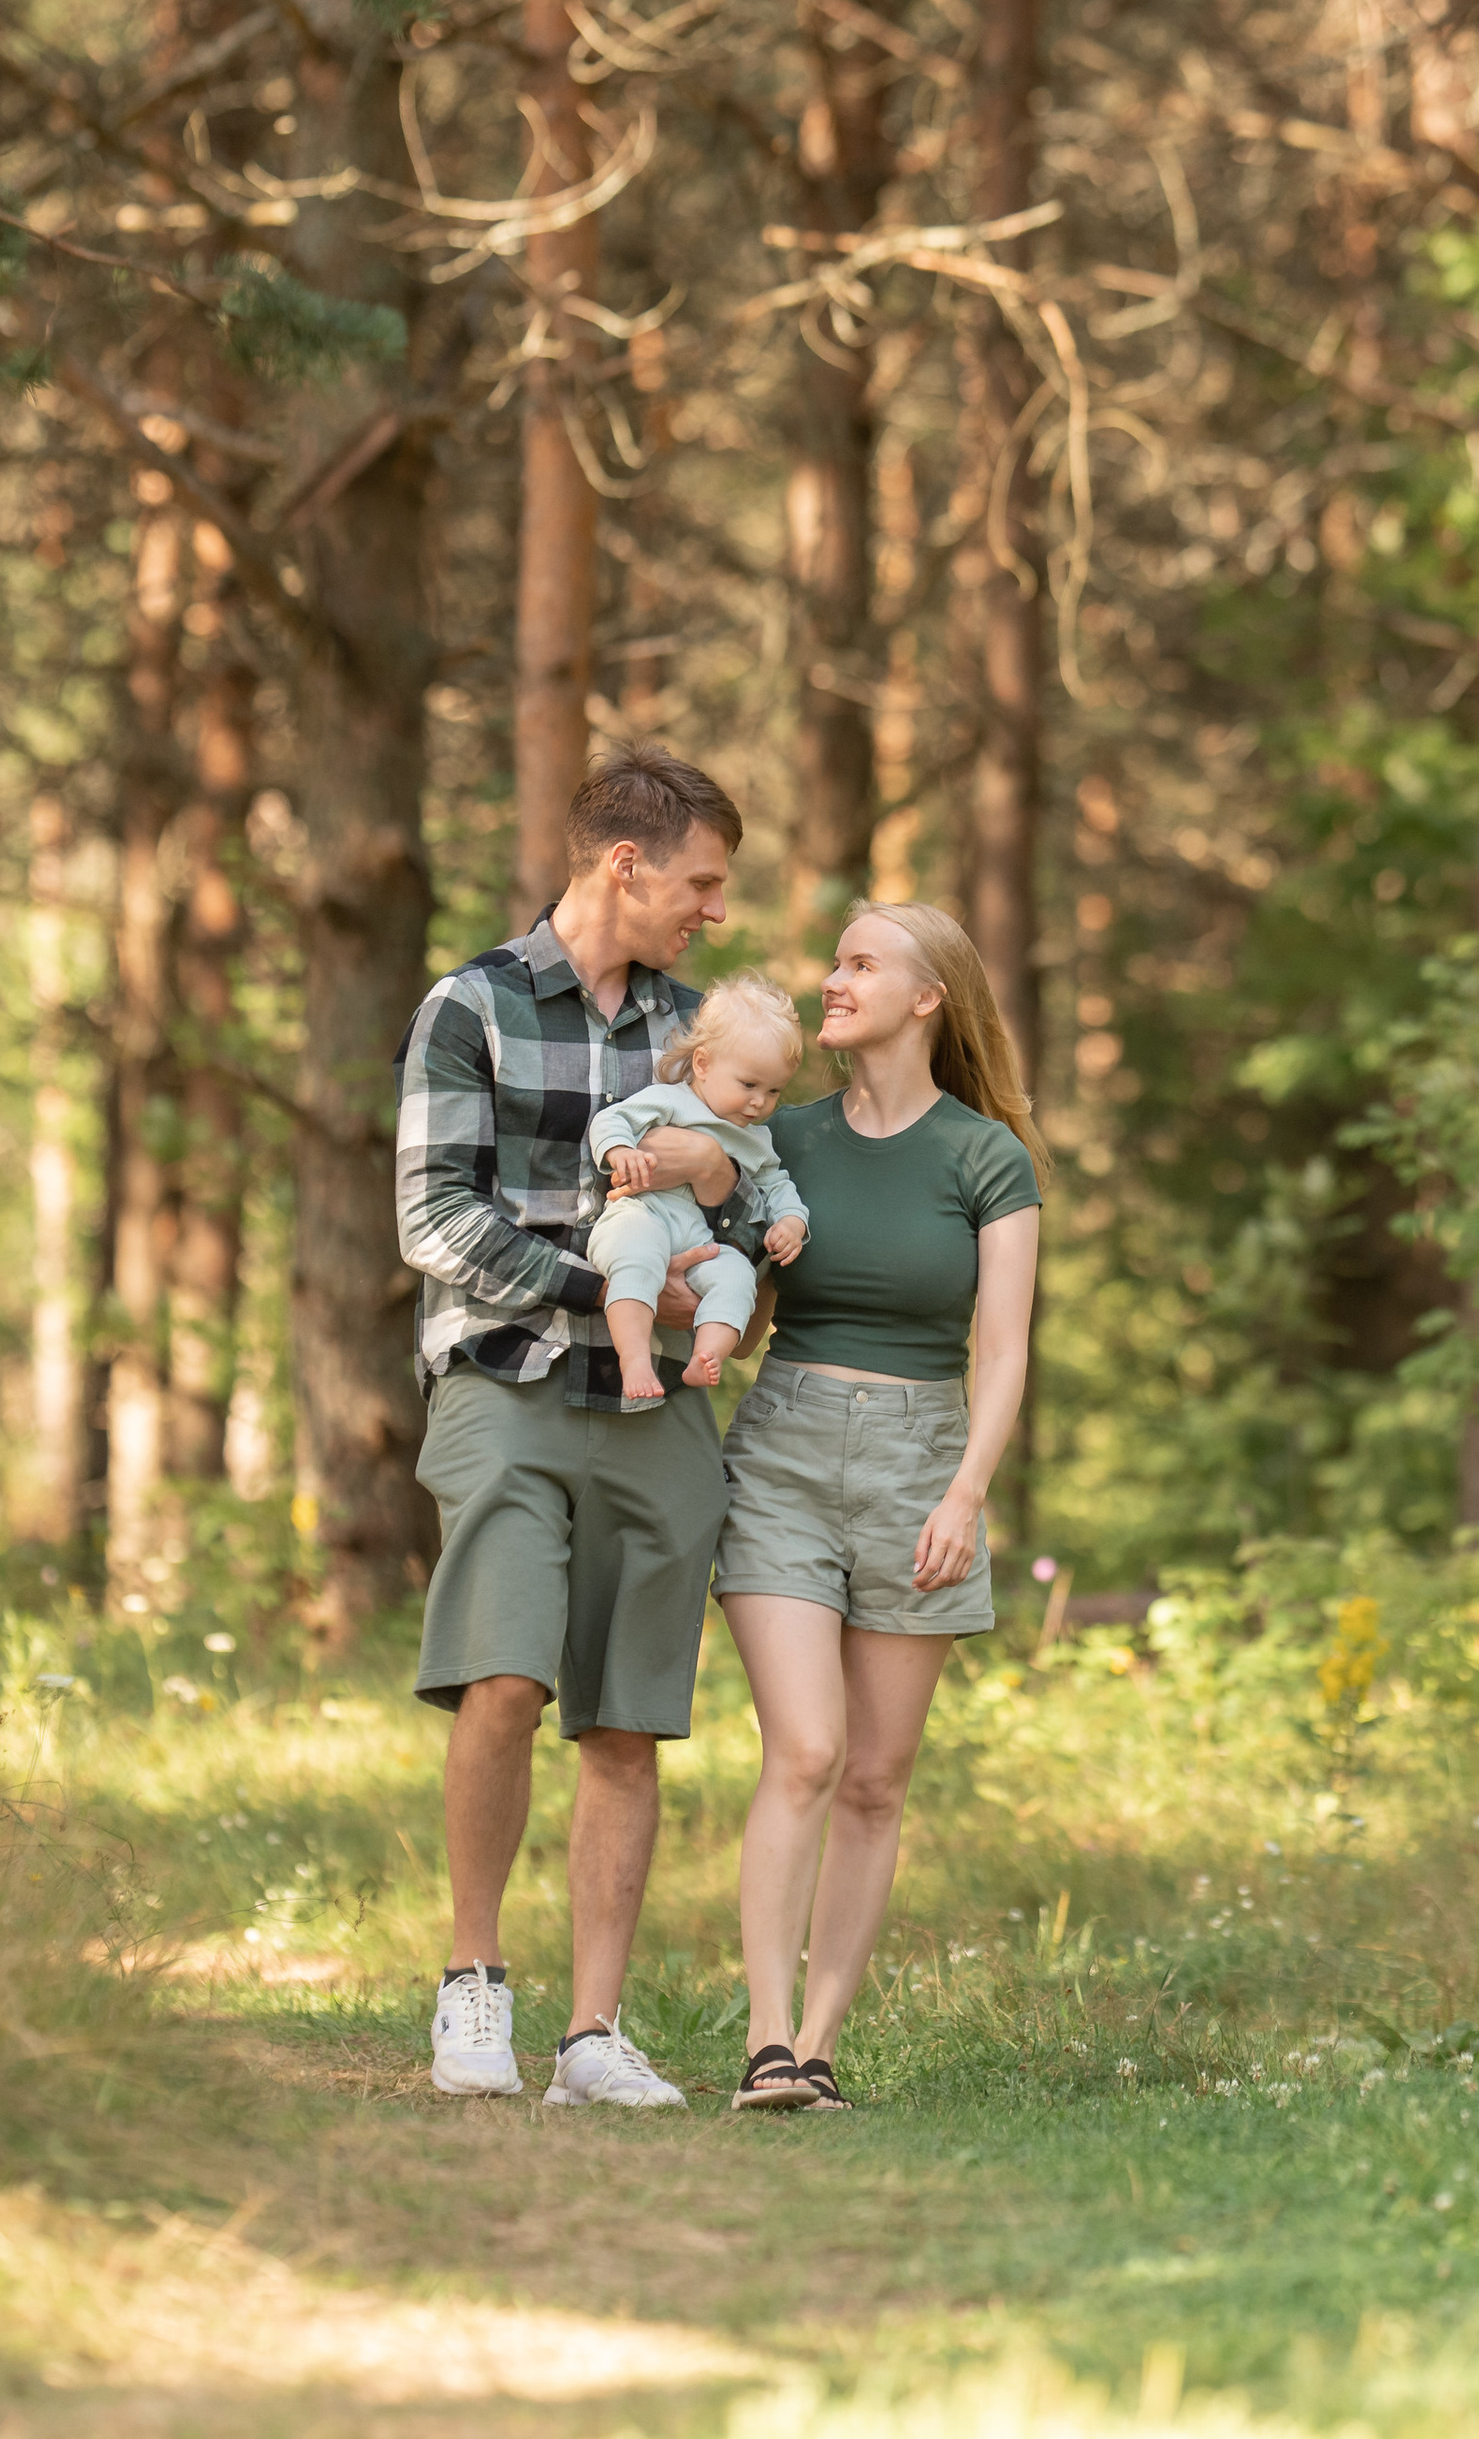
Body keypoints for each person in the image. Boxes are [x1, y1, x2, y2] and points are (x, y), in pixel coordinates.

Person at [394, 743, 748, 2112]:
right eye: (699, 884)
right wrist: (607, 1288)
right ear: (625, 862)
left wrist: (718, 1239)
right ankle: (474, 1985)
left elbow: (739, 1193)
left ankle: (594, 2034)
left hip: (657, 1397)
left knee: (627, 1715)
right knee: (504, 1674)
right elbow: (436, 1221)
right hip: (504, 1376)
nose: (709, 911)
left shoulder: (698, 1029)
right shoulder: (467, 1007)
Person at [711, 902, 1048, 2113]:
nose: (829, 978)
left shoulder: (985, 1156)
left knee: (874, 1777)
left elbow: (1001, 1352)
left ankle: (817, 2043)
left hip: (922, 1466)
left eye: (859, 962)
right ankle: (760, 2038)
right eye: (835, 958)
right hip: (786, 1448)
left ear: (926, 999)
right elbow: (730, 1292)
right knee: (804, 1749)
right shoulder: (780, 1132)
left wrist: (968, 1490)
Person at [587, 974, 810, 1400]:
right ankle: (633, 1357)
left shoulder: (756, 1140)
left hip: (700, 1241)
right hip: (642, 1215)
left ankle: (706, 1356)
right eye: (748, 1085)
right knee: (635, 1256)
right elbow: (611, 1120)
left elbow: (777, 1186)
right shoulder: (669, 1100)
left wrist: (793, 1222)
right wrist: (619, 1151)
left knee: (737, 1275)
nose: (759, 1102)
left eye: (774, 1090)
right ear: (703, 1064)